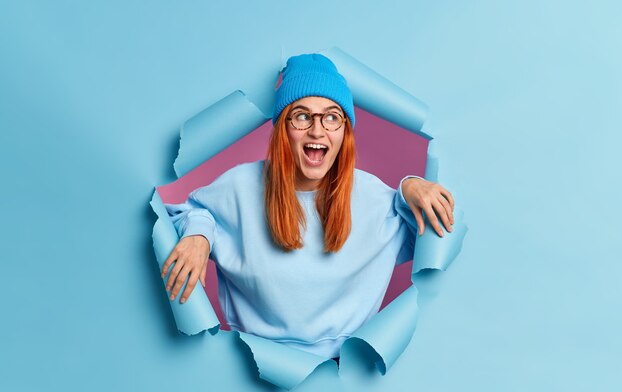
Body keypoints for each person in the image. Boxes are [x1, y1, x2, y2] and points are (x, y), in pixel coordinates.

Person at [162, 53, 455, 359]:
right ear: (282, 128)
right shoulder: (240, 186)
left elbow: (433, 236)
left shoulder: (373, 197)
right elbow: (185, 212)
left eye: (331, 117)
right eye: (302, 115)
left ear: (344, 131)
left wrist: (410, 185)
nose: (317, 130)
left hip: (347, 374)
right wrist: (199, 234)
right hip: (254, 366)